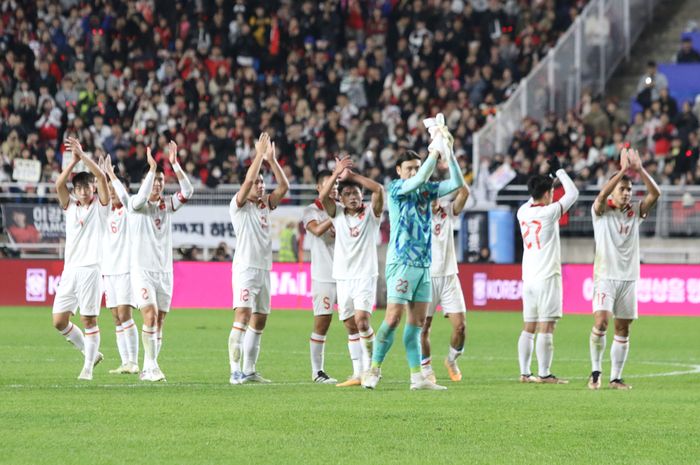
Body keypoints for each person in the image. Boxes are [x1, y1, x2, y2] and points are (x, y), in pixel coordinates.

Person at [363, 114, 465, 390]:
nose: (413, 172)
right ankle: (373, 370)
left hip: (424, 265)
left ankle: (417, 377)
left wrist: (448, 152)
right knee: (393, 318)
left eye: (415, 167)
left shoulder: (426, 192)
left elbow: (456, 183)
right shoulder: (398, 189)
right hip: (400, 263)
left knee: (416, 324)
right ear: (398, 171)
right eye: (408, 168)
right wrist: (435, 147)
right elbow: (420, 178)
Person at [588, 148, 660, 390]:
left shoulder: (635, 212)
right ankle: (596, 372)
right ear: (613, 190)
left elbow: (655, 193)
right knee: (601, 322)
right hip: (605, 276)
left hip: (629, 278)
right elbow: (600, 196)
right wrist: (621, 171)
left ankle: (615, 377)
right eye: (622, 189)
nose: (627, 193)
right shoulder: (600, 212)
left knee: (623, 328)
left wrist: (639, 170)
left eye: (629, 189)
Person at [228, 133, 289, 385]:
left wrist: (272, 160)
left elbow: (284, 187)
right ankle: (234, 371)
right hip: (245, 269)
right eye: (258, 183)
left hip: (264, 269)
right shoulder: (238, 204)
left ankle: (250, 370)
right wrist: (258, 156)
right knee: (242, 315)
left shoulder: (264, 204)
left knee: (260, 318)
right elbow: (249, 179)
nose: (261, 186)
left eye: (263, 183)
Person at [130, 141, 194, 382]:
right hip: (142, 271)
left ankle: (152, 365)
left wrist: (175, 164)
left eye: (160, 180)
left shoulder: (166, 205)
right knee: (150, 314)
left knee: (160, 320)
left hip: (164, 272)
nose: (157, 184)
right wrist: (152, 168)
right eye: (154, 180)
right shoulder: (137, 205)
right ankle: (149, 366)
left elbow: (188, 192)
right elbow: (139, 199)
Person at [319, 157, 384, 386]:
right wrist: (336, 173)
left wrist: (352, 176)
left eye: (356, 193)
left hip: (365, 275)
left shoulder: (371, 216)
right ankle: (358, 373)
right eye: (348, 194)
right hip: (343, 277)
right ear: (342, 199)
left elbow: (379, 189)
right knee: (349, 324)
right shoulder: (336, 215)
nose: (354, 197)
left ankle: (374, 368)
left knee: (363, 321)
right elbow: (322, 197)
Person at [516, 155, 578, 384]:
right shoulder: (549, 212)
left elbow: (535, 193)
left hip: (529, 277)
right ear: (548, 194)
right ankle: (544, 373)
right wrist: (560, 172)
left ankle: (524, 372)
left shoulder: (522, 211)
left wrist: (547, 179)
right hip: (548, 276)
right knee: (547, 325)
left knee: (529, 326)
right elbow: (573, 194)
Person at [51, 137, 110, 380]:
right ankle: (90, 353)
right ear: (75, 191)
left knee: (89, 318)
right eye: (80, 188)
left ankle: (87, 369)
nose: (84, 191)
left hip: (91, 270)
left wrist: (84, 157)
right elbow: (58, 184)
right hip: (70, 270)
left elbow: (103, 178)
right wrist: (73, 162)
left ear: (93, 188)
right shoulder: (71, 207)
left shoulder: (101, 207)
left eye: (87, 187)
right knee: (58, 321)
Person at [420, 184, 470, 384]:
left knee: (460, 327)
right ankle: (426, 368)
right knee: (423, 328)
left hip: (449, 276)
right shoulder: (417, 215)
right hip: (426, 277)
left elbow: (465, 192)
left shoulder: (448, 211)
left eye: (435, 194)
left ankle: (451, 360)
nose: (433, 198)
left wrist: (450, 160)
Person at [302, 170, 342, 384]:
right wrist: (334, 218)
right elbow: (316, 231)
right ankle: (317, 372)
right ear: (320, 188)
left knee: (355, 322)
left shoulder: (345, 208)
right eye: (330, 184)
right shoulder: (311, 211)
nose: (334, 188)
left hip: (347, 276)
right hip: (323, 276)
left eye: (336, 184)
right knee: (322, 322)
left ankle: (363, 369)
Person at [100, 154, 139, 375]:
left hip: (126, 269)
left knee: (125, 314)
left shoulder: (129, 210)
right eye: (111, 189)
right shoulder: (106, 212)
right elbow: (102, 191)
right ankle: (125, 362)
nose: (112, 193)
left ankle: (133, 361)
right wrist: (101, 174)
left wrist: (111, 174)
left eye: (115, 189)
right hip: (109, 270)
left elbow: (123, 197)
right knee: (116, 317)